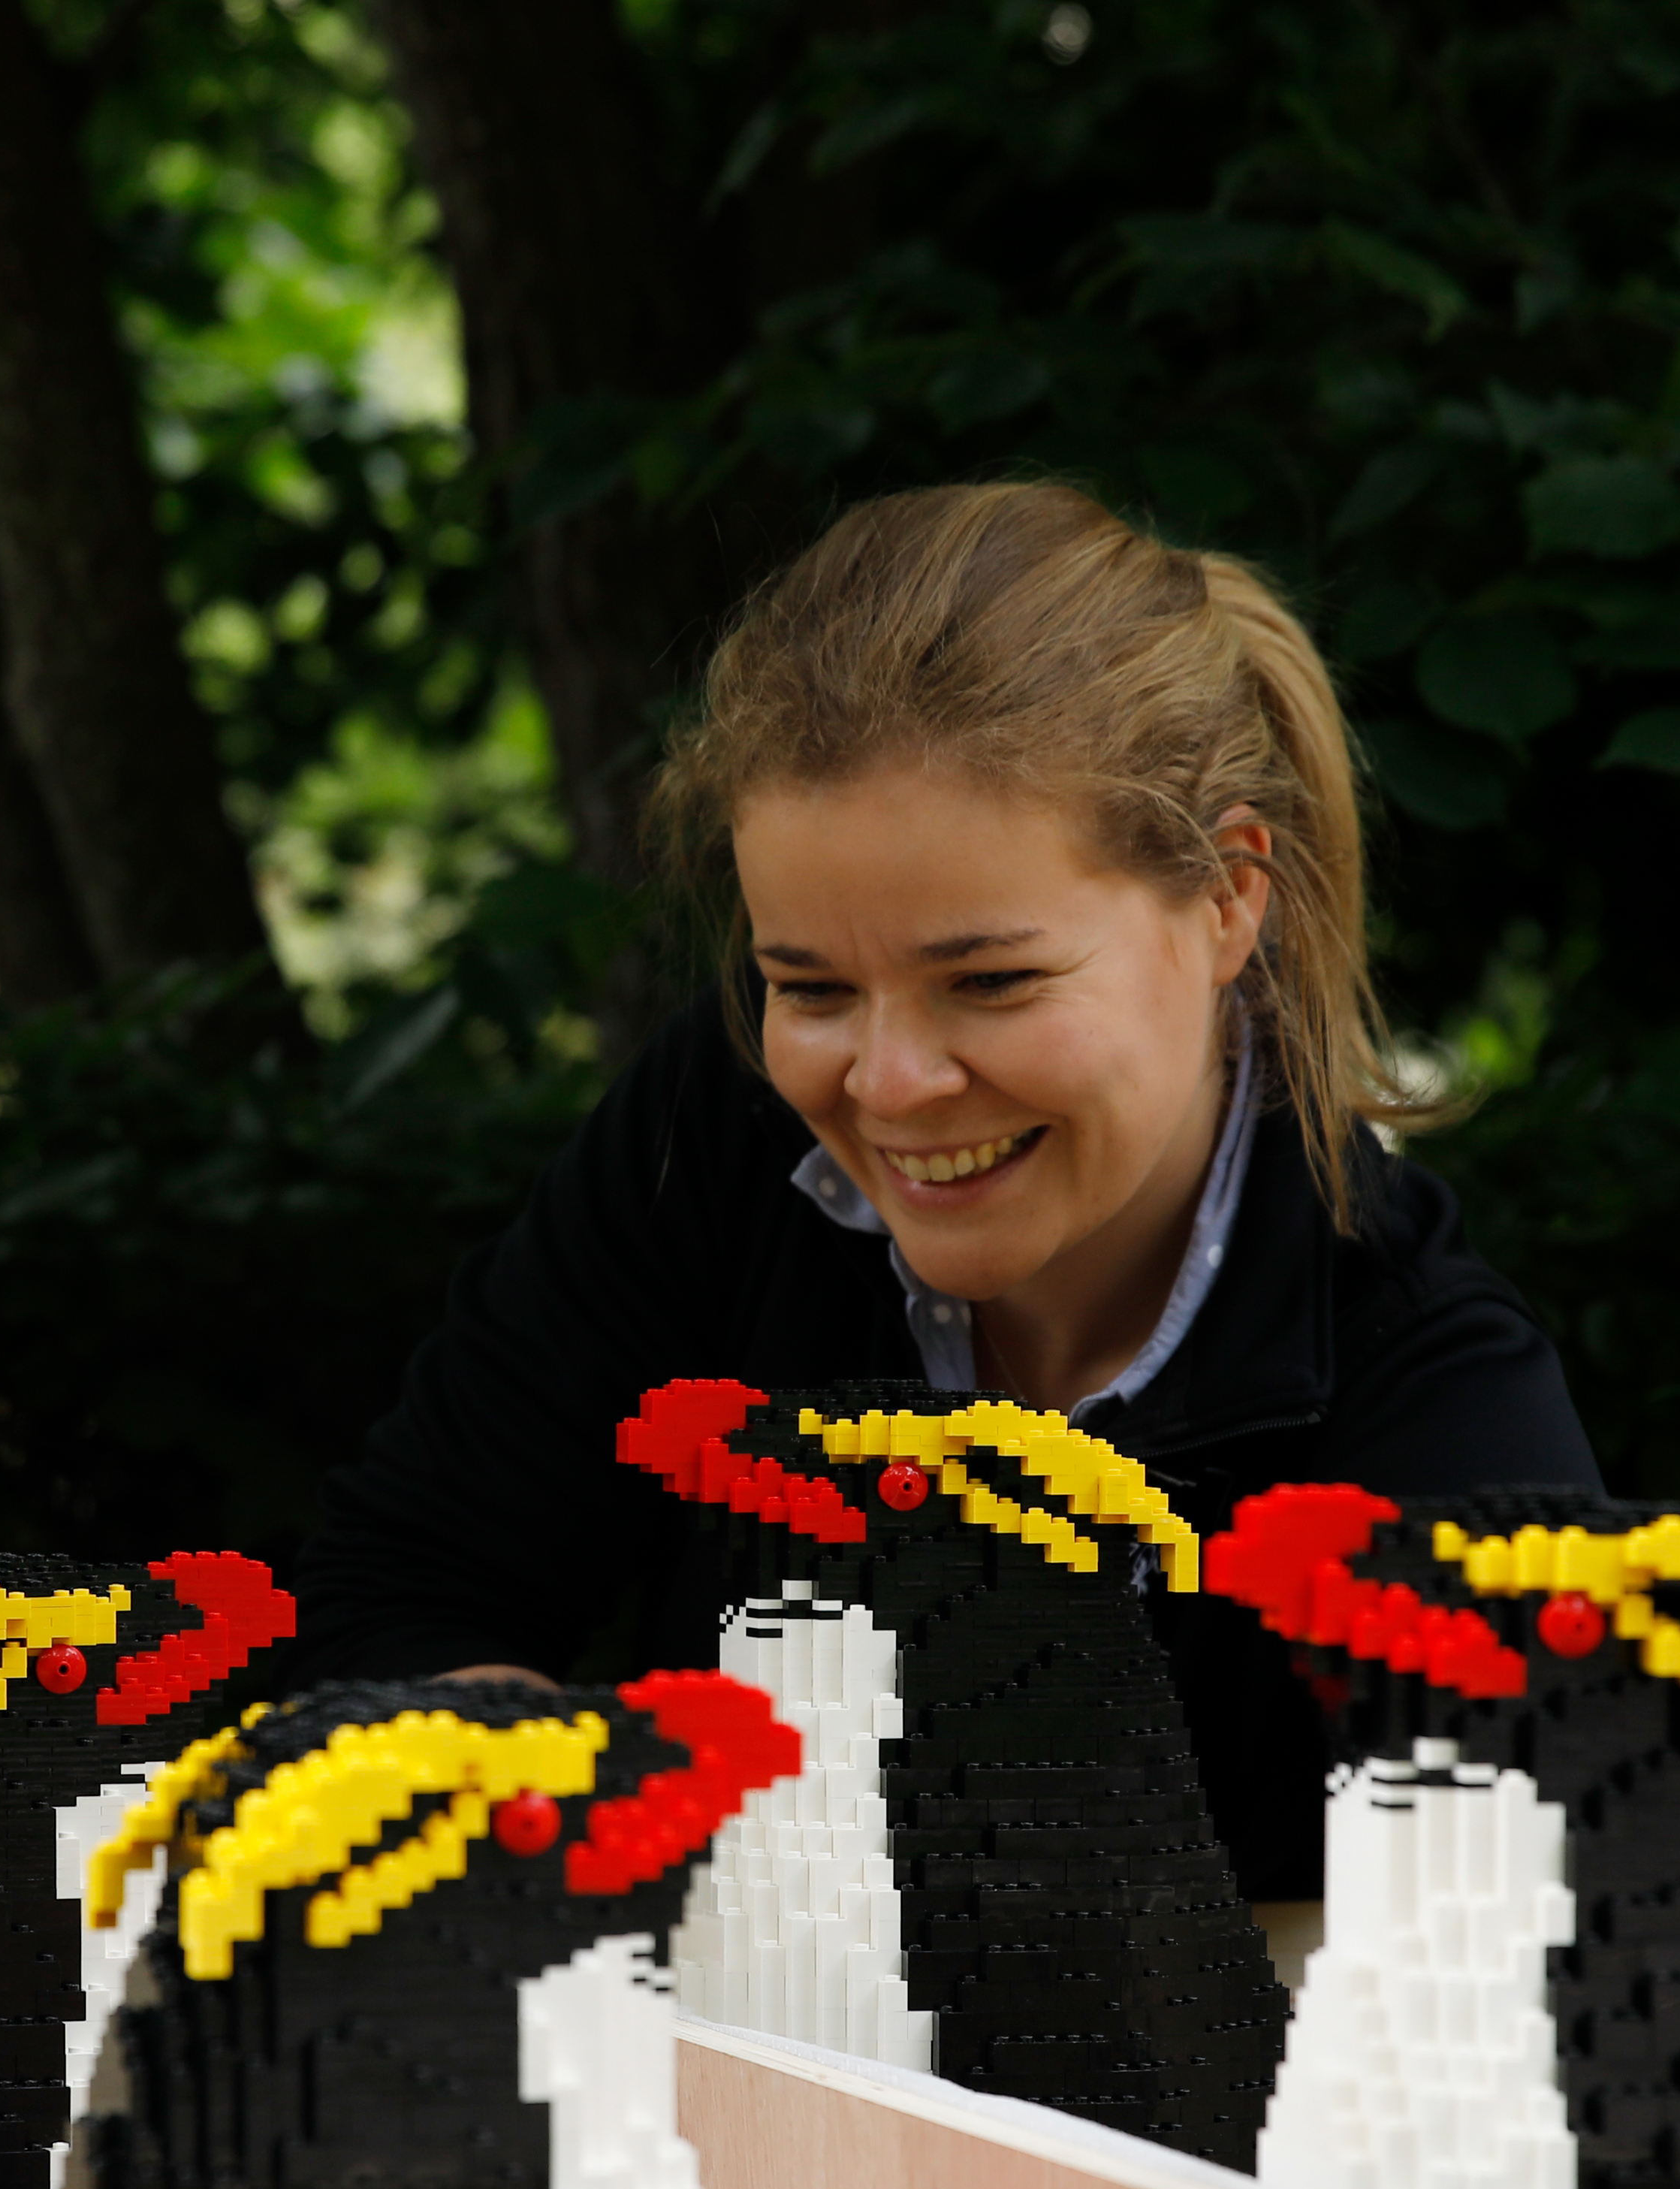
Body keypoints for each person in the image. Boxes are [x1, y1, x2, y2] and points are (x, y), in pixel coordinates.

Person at [285, 480, 1603, 1900]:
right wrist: (564, 1824)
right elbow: (396, 1597)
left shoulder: (1425, 1399)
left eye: (991, 981)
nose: (891, 1082)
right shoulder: (710, 1141)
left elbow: (1546, 1927)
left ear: (1228, 897)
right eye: (812, 988)